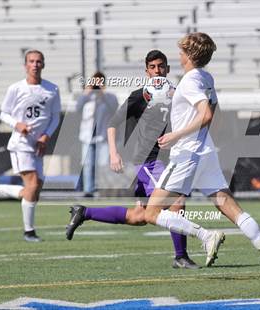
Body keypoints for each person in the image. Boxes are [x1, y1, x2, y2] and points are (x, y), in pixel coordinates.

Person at [139, 32, 260, 277]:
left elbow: (206, 115)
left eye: (181, 51)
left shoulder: (189, 81)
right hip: (205, 151)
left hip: (187, 154)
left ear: (188, 55)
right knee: (231, 208)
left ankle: (205, 235)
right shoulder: (206, 78)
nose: (179, 55)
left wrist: (175, 135)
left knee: (151, 212)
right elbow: (214, 120)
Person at [66, 50, 199, 269]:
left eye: (161, 66)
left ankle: (84, 212)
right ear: (147, 70)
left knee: (140, 216)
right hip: (149, 161)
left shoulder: (177, 94)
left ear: (167, 69)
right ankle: (180, 256)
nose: (157, 70)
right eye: (153, 67)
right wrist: (113, 153)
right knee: (176, 202)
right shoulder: (139, 96)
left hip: (171, 160)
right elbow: (112, 123)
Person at [0, 50, 61, 242]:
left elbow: (55, 116)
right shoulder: (16, 88)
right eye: (31, 61)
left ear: (44, 64)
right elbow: (4, 114)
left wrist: (46, 136)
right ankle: (29, 232)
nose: (35, 65)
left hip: (38, 145)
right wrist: (18, 125)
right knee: (31, 186)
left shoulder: (52, 89)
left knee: (34, 190)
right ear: (25, 65)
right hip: (21, 143)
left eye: (38, 61)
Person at [76, 72, 118, 197]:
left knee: (102, 164)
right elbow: (77, 108)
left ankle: (101, 189)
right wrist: (87, 92)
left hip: (102, 135)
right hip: (87, 135)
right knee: (88, 163)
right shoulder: (86, 97)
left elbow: (114, 109)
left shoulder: (109, 97)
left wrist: (102, 94)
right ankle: (88, 190)